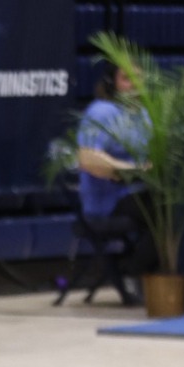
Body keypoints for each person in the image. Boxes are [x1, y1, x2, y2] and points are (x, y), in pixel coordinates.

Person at [74, 64, 157, 286]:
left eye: (138, 79)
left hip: (140, 192)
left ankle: (156, 275)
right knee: (162, 209)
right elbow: (87, 158)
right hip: (108, 202)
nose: (134, 85)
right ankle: (134, 271)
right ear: (112, 83)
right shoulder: (101, 112)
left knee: (177, 206)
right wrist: (130, 170)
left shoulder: (145, 115)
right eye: (126, 79)